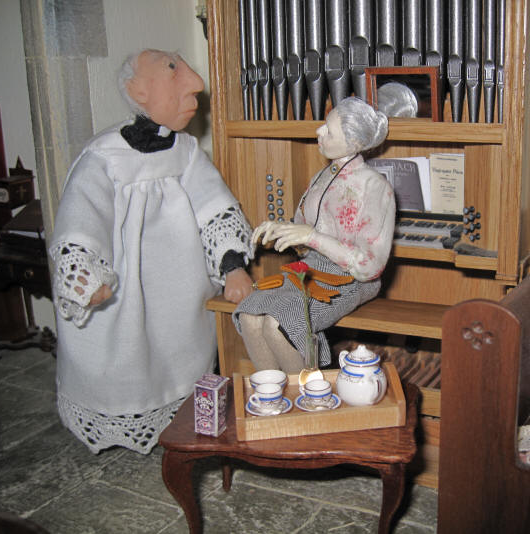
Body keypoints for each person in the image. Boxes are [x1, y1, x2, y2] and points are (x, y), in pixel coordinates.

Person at [49, 49, 254, 454]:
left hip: (178, 284)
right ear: (137, 90)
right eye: (172, 70)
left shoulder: (187, 152)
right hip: (121, 287)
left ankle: (181, 412)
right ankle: (119, 411)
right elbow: (80, 219)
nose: (194, 84)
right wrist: (84, 275)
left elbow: (214, 208)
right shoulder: (104, 156)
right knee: (122, 355)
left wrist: (232, 266)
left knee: (180, 350)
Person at [234, 97, 394, 373]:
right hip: (310, 268)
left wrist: (310, 237)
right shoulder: (321, 177)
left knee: (277, 325)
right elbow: (304, 233)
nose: (319, 132)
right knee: (250, 314)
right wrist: (282, 231)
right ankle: (274, 400)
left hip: (351, 278)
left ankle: (310, 399)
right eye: (323, 126)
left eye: (329, 131)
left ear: (354, 143)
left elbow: (370, 266)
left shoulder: (374, 186)